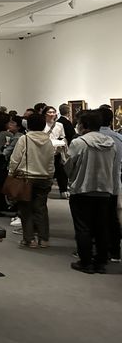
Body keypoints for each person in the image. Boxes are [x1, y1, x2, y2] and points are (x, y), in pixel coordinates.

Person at [66, 110, 118, 274]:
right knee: (101, 227)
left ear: (83, 125)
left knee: (83, 227)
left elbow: (69, 167)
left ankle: (86, 262)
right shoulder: (110, 142)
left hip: (82, 189)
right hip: (105, 189)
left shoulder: (79, 143)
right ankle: (101, 262)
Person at [7, 113, 54, 248]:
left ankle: (29, 239)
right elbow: (50, 161)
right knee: (41, 209)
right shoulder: (48, 140)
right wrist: (50, 175)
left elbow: (15, 159)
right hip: (44, 177)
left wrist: (11, 173)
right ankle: (44, 239)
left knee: (26, 209)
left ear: (29, 125)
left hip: (26, 178)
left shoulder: (25, 139)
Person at [98, 106, 122, 263]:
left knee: (97, 219)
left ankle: (100, 252)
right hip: (113, 183)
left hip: (95, 185)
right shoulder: (119, 138)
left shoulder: (87, 139)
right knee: (113, 218)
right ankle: (115, 251)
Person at [43, 106, 69, 198]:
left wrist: (62, 142)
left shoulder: (59, 125)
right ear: (45, 114)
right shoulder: (43, 124)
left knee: (60, 170)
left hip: (57, 150)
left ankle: (63, 190)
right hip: (45, 151)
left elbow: (62, 136)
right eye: (49, 112)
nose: (52, 114)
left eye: (53, 112)